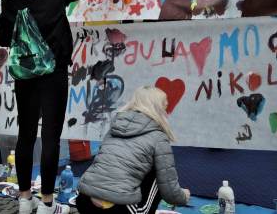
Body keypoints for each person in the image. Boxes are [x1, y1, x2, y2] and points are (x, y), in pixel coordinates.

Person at [0, 0, 114, 214]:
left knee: (25, 135)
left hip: (25, 74)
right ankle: (48, 203)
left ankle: (25, 199)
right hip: (53, 72)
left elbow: (3, 36)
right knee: (51, 137)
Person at [76, 86, 191, 214]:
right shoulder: (158, 137)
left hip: (83, 200)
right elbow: (170, 192)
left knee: (107, 159)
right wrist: (183, 197)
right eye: (165, 107)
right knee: (159, 172)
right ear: (158, 109)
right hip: (118, 209)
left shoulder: (115, 126)